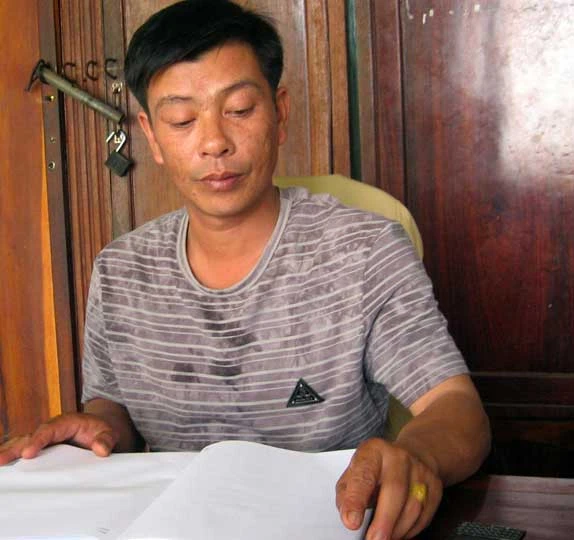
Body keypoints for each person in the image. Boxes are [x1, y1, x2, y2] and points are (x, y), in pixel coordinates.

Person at [0, 1, 490, 538]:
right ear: (152, 135)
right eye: (182, 120)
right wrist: (95, 431)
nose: (214, 142)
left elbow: (455, 408)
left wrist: (417, 455)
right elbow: (115, 409)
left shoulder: (364, 250)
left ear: (279, 113)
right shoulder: (121, 271)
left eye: (238, 109)